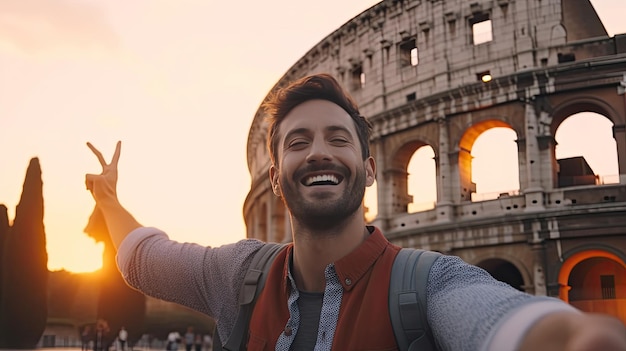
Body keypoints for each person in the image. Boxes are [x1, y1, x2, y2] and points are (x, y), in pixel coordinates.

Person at [85, 73, 626, 351]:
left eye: (336, 138)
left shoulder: (430, 283)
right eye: (298, 141)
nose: (318, 151)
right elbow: (142, 258)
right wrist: (108, 201)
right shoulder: (238, 274)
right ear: (274, 177)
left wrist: (572, 337)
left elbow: (496, 319)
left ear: (368, 169)